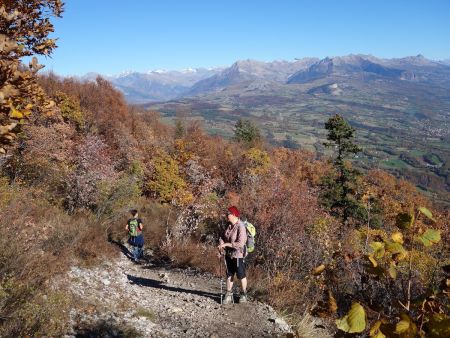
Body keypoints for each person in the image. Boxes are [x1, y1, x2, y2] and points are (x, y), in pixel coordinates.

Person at [218, 206, 248, 304]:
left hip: (238, 254)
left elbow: (241, 243)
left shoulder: (241, 226)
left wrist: (226, 244)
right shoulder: (229, 225)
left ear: (234, 215)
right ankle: (228, 294)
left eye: (229, 214)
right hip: (228, 254)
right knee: (229, 274)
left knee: (241, 275)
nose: (227, 215)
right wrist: (221, 244)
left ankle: (243, 294)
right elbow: (222, 236)